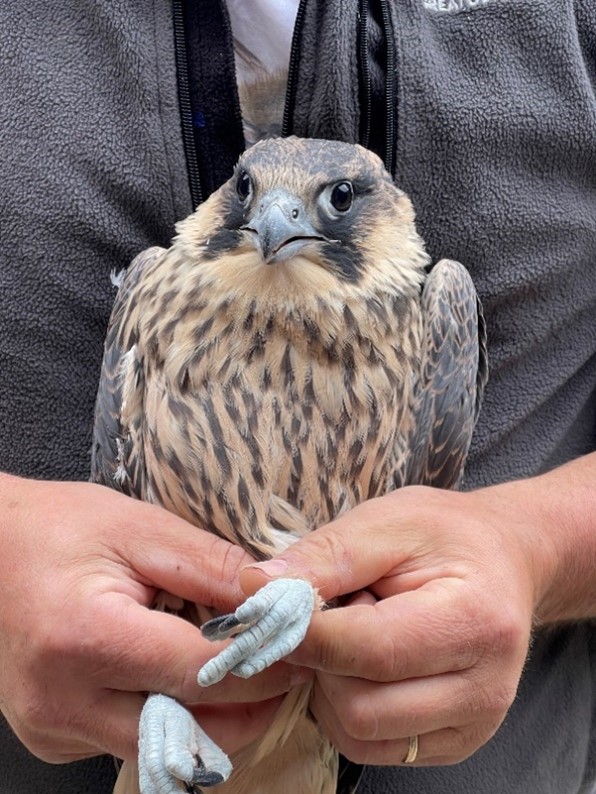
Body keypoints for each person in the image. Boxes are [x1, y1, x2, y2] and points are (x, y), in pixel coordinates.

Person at [0, 2, 595, 793]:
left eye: (333, 202)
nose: (276, 219)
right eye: (251, 194)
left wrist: (536, 551)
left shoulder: (429, 313)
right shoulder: (158, 291)